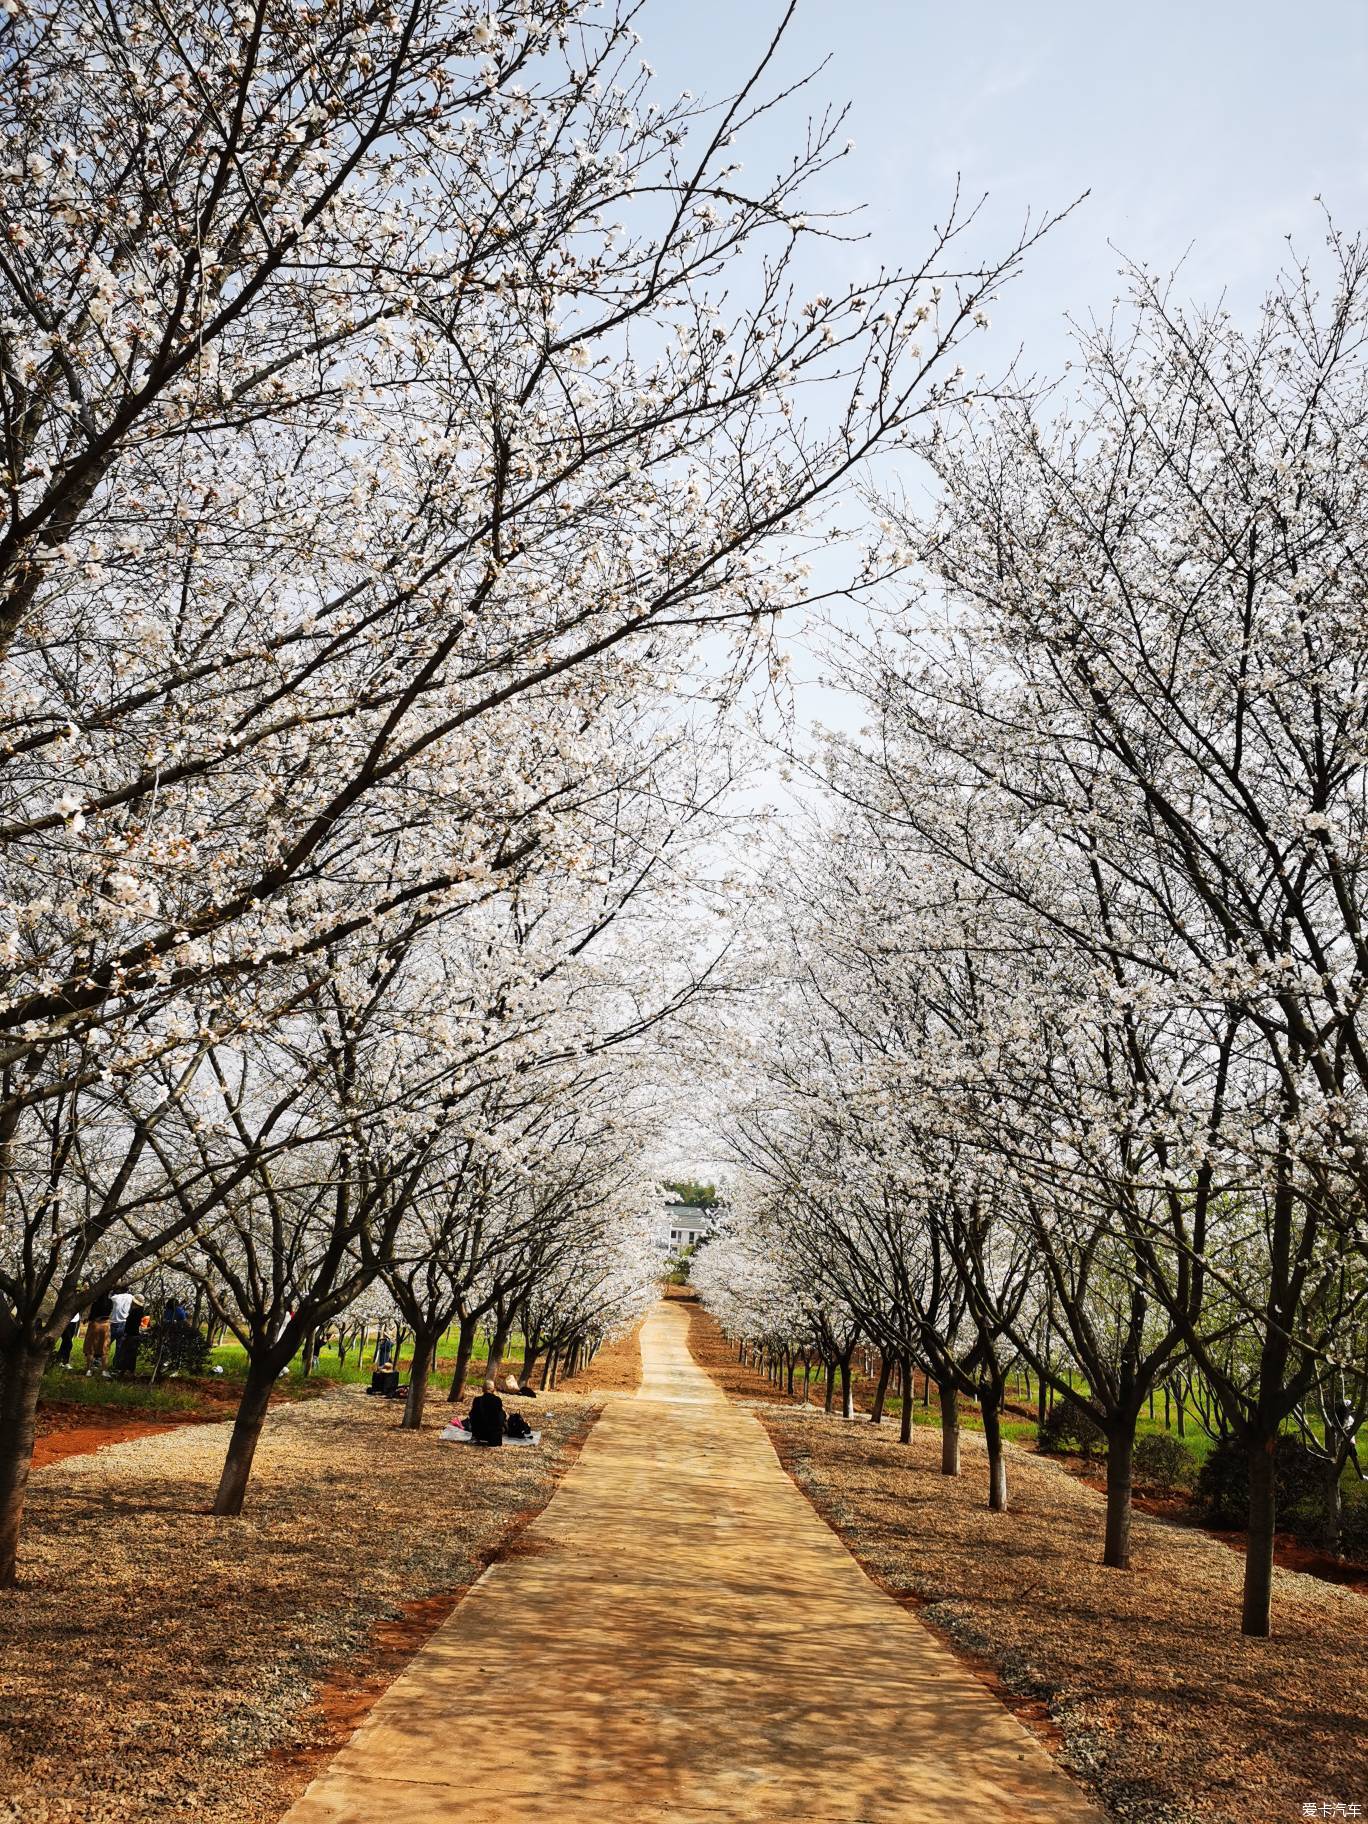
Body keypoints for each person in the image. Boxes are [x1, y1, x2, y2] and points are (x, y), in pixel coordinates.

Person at [466, 1379, 506, 1446]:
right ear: (493, 1389)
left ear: (483, 1389)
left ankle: (475, 1436)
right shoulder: (497, 1400)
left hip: (479, 1433)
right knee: (502, 1414)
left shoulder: (477, 1400)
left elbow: (472, 1415)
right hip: (493, 1435)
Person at [85, 1290, 114, 1375]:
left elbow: (91, 1316)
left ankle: (88, 1370)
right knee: (104, 1349)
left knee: (91, 1349)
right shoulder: (110, 1302)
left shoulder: (95, 1303)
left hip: (94, 1325)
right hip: (105, 1325)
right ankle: (104, 1371)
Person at [113, 1299, 145, 1376]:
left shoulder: (134, 1312)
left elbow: (130, 1325)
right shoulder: (140, 1311)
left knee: (125, 1353)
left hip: (130, 1335)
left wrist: (125, 1334)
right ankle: (130, 1371)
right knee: (131, 1355)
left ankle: (123, 1370)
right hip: (135, 1335)